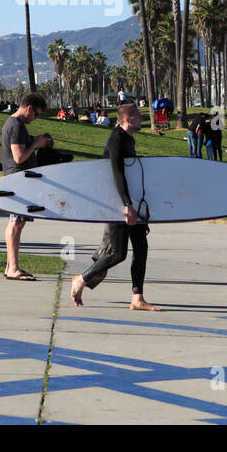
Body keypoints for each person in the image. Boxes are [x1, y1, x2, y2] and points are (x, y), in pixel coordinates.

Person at [69, 104, 162, 311]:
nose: (142, 118)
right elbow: (116, 174)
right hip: (117, 204)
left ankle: (137, 298)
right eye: (138, 115)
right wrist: (127, 205)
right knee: (117, 253)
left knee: (141, 248)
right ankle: (81, 279)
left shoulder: (129, 138)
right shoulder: (116, 139)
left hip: (132, 202)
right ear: (128, 118)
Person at [1, 92, 52, 281]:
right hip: (18, 180)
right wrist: (36, 144)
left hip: (17, 180)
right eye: (36, 114)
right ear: (29, 108)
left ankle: (10, 267)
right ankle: (13, 268)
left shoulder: (15, 124)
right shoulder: (16, 125)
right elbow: (19, 157)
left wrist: (35, 140)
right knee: (16, 222)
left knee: (16, 222)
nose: (35, 118)